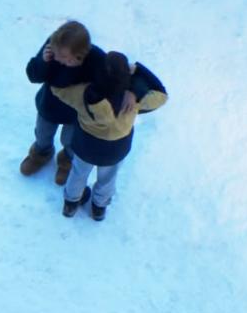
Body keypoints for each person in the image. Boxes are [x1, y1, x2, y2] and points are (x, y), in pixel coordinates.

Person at [50, 51, 167, 221]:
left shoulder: (81, 94)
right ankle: (99, 207)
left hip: (85, 147)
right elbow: (161, 94)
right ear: (127, 79)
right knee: (108, 177)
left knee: (78, 172)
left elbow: (57, 88)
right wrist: (138, 74)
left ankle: (70, 203)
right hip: (115, 150)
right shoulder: (133, 103)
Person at [21, 20, 106, 185]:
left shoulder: (96, 59)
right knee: (42, 134)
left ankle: (66, 161)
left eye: (63, 57)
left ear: (79, 55)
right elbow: (33, 75)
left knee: (70, 141)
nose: (56, 59)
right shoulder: (53, 47)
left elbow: (110, 82)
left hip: (75, 113)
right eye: (55, 54)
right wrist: (43, 62)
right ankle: (41, 154)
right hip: (49, 106)